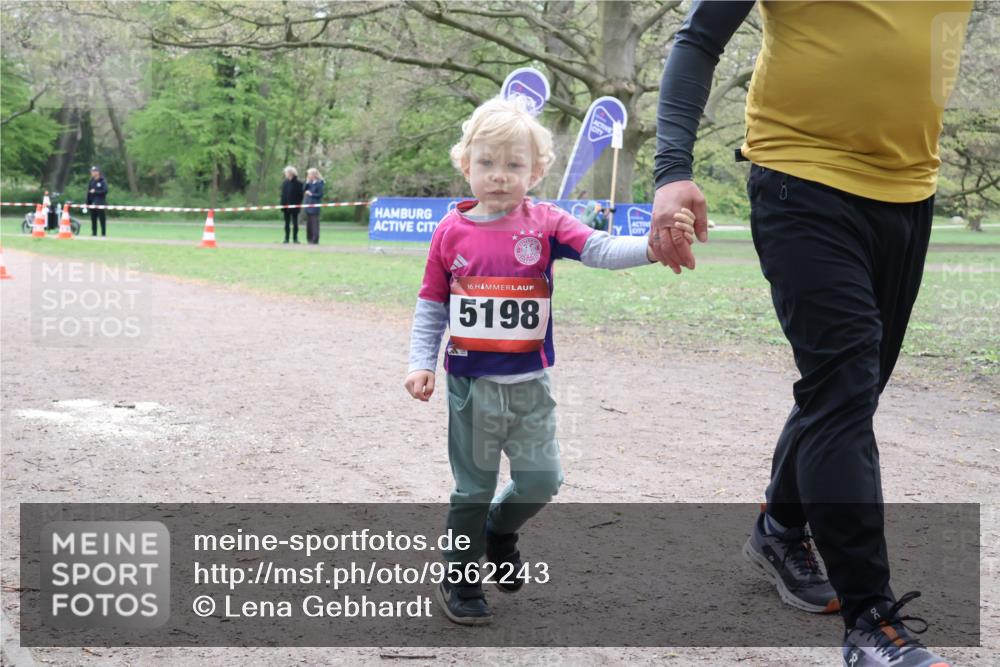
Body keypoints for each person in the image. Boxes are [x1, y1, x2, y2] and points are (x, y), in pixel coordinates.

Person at [650, 3, 971, 666]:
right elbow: (699, 38)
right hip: (803, 180)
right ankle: (871, 624)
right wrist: (672, 170)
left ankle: (780, 526)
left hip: (911, 191)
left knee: (849, 391)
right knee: (846, 389)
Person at [404, 97, 694, 626]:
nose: (499, 175)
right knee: (472, 487)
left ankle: (499, 530)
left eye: (514, 165)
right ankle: (460, 574)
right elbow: (431, 304)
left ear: (535, 171)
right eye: (486, 163)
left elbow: (601, 249)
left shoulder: (546, 222)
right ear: (465, 165)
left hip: (530, 384)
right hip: (470, 385)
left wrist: (652, 248)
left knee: (542, 480)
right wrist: (420, 360)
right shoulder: (449, 232)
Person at [280, 166, 304, 244]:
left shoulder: (299, 183)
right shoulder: (285, 183)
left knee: (295, 223)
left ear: (291, 173)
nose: (285, 174)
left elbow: (300, 195)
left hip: (295, 207)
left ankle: (295, 238)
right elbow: (283, 195)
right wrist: (282, 204)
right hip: (286, 206)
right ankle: (286, 238)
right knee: (286, 223)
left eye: (286, 173)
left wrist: (297, 204)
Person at [302, 168, 324, 244]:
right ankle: (309, 239)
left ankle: (315, 239)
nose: (308, 176)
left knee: (315, 224)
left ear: (313, 175)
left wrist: (311, 194)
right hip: (308, 205)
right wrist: (307, 182)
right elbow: (303, 189)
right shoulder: (309, 183)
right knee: (309, 224)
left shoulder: (319, 183)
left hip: (315, 206)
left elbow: (320, 194)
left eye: (309, 174)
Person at [86, 166, 108, 237]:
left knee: (102, 218)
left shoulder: (102, 181)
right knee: (93, 218)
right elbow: (89, 192)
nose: (92, 173)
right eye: (91, 171)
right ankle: (94, 233)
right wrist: (87, 202)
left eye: (93, 171)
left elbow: (105, 191)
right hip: (92, 203)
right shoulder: (91, 181)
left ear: (97, 172)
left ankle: (103, 233)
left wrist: (96, 191)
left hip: (100, 203)